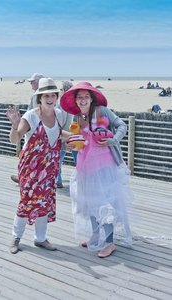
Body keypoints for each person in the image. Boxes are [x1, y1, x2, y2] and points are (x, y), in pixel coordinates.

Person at [60, 82, 133, 258]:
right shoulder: (77, 118)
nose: (82, 100)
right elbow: (80, 143)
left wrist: (113, 140)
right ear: (76, 101)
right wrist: (70, 147)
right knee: (89, 200)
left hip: (105, 165)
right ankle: (95, 234)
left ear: (91, 98)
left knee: (104, 200)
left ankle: (109, 242)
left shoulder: (102, 111)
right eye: (79, 97)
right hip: (86, 165)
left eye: (86, 96)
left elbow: (122, 125)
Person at [6, 77, 70, 254]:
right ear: (39, 98)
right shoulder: (31, 116)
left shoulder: (59, 114)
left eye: (53, 95)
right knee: (27, 202)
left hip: (50, 167)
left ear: (56, 97)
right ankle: (15, 236)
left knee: (45, 202)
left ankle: (40, 239)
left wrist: (71, 138)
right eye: (46, 96)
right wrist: (14, 124)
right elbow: (15, 139)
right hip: (30, 168)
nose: (50, 98)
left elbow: (57, 133)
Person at [11, 72, 44, 184]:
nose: (30, 84)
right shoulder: (46, 95)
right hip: (38, 131)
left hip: (35, 132)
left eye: (32, 82)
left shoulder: (36, 96)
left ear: (38, 82)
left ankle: (23, 177)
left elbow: (32, 114)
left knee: (30, 156)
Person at [57, 81, 78, 188]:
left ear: (65, 91)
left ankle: (58, 181)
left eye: (60, 89)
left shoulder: (62, 104)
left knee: (57, 161)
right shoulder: (75, 103)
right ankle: (84, 182)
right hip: (76, 136)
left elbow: (62, 121)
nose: (59, 91)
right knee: (79, 161)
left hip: (65, 136)